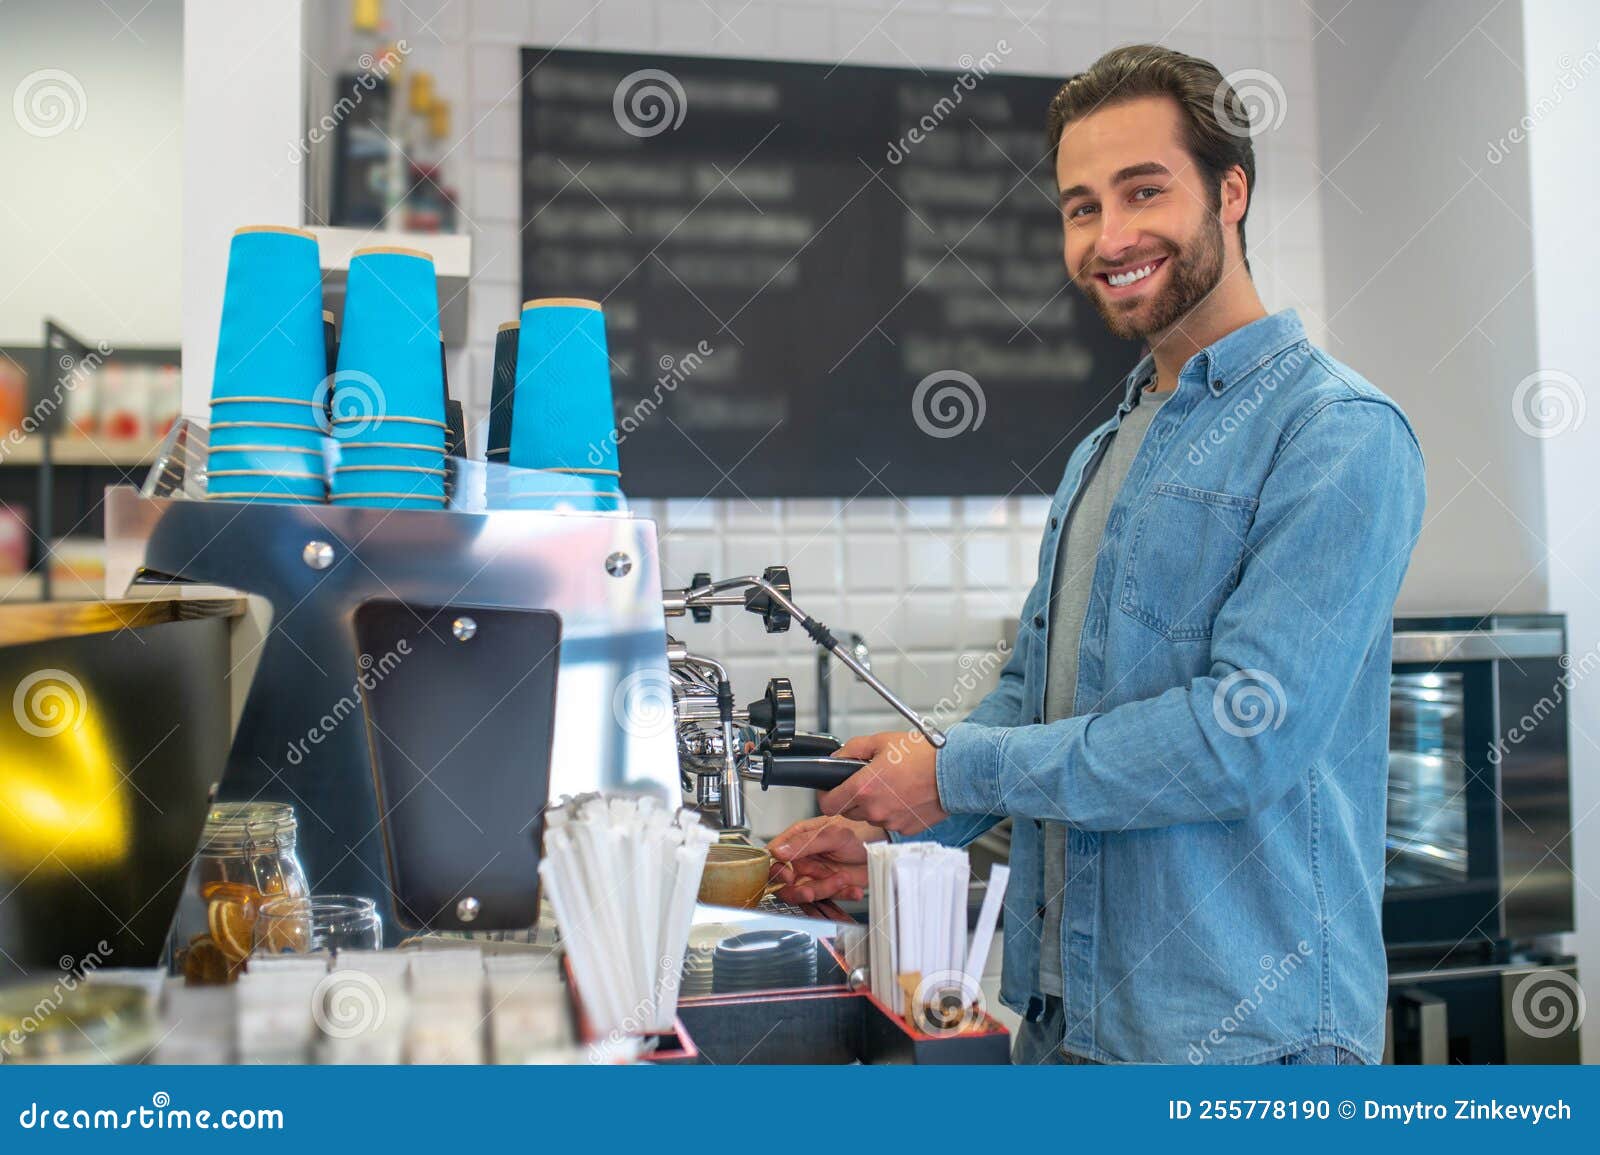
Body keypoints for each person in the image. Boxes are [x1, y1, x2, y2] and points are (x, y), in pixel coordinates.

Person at [766, 44, 1425, 1066]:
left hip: (1249, 1050)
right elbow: (1033, 699)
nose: (1109, 236)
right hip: (1067, 1023)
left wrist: (950, 771)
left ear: (1231, 191)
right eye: (1080, 206)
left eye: (1142, 191)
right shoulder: (1104, 448)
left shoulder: (1336, 433)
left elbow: (1240, 735)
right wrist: (899, 835)